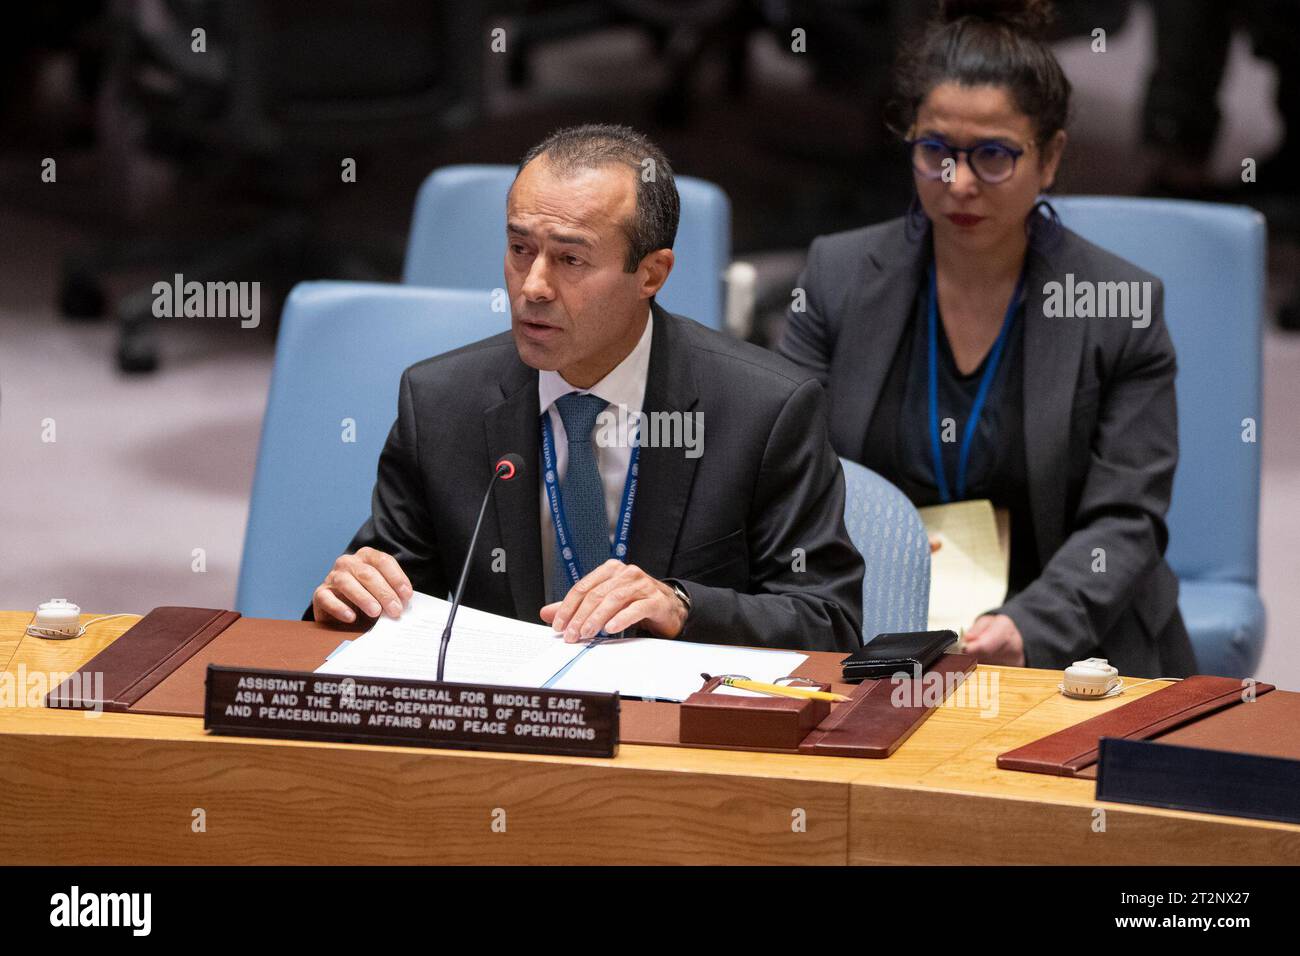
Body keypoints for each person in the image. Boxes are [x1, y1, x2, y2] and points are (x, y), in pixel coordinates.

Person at [308, 124, 864, 653]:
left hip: (672, 731)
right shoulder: (440, 403)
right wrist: (350, 600)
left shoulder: (763, 410)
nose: (533, 287)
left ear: (651, 273)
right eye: (520, 248)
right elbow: (388, 596)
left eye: (571, 259)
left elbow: (828, 621)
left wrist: (684, 608)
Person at [778, 0, 1196, 677]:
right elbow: (790, 475)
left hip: (1074, 649)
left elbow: (1128, 521)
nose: (960, 183)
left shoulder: (1121, 309)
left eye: (994, 156)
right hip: (881, 633)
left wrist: (1031, 627)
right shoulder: (837, 275)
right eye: (936, 151)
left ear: (1050, 157)